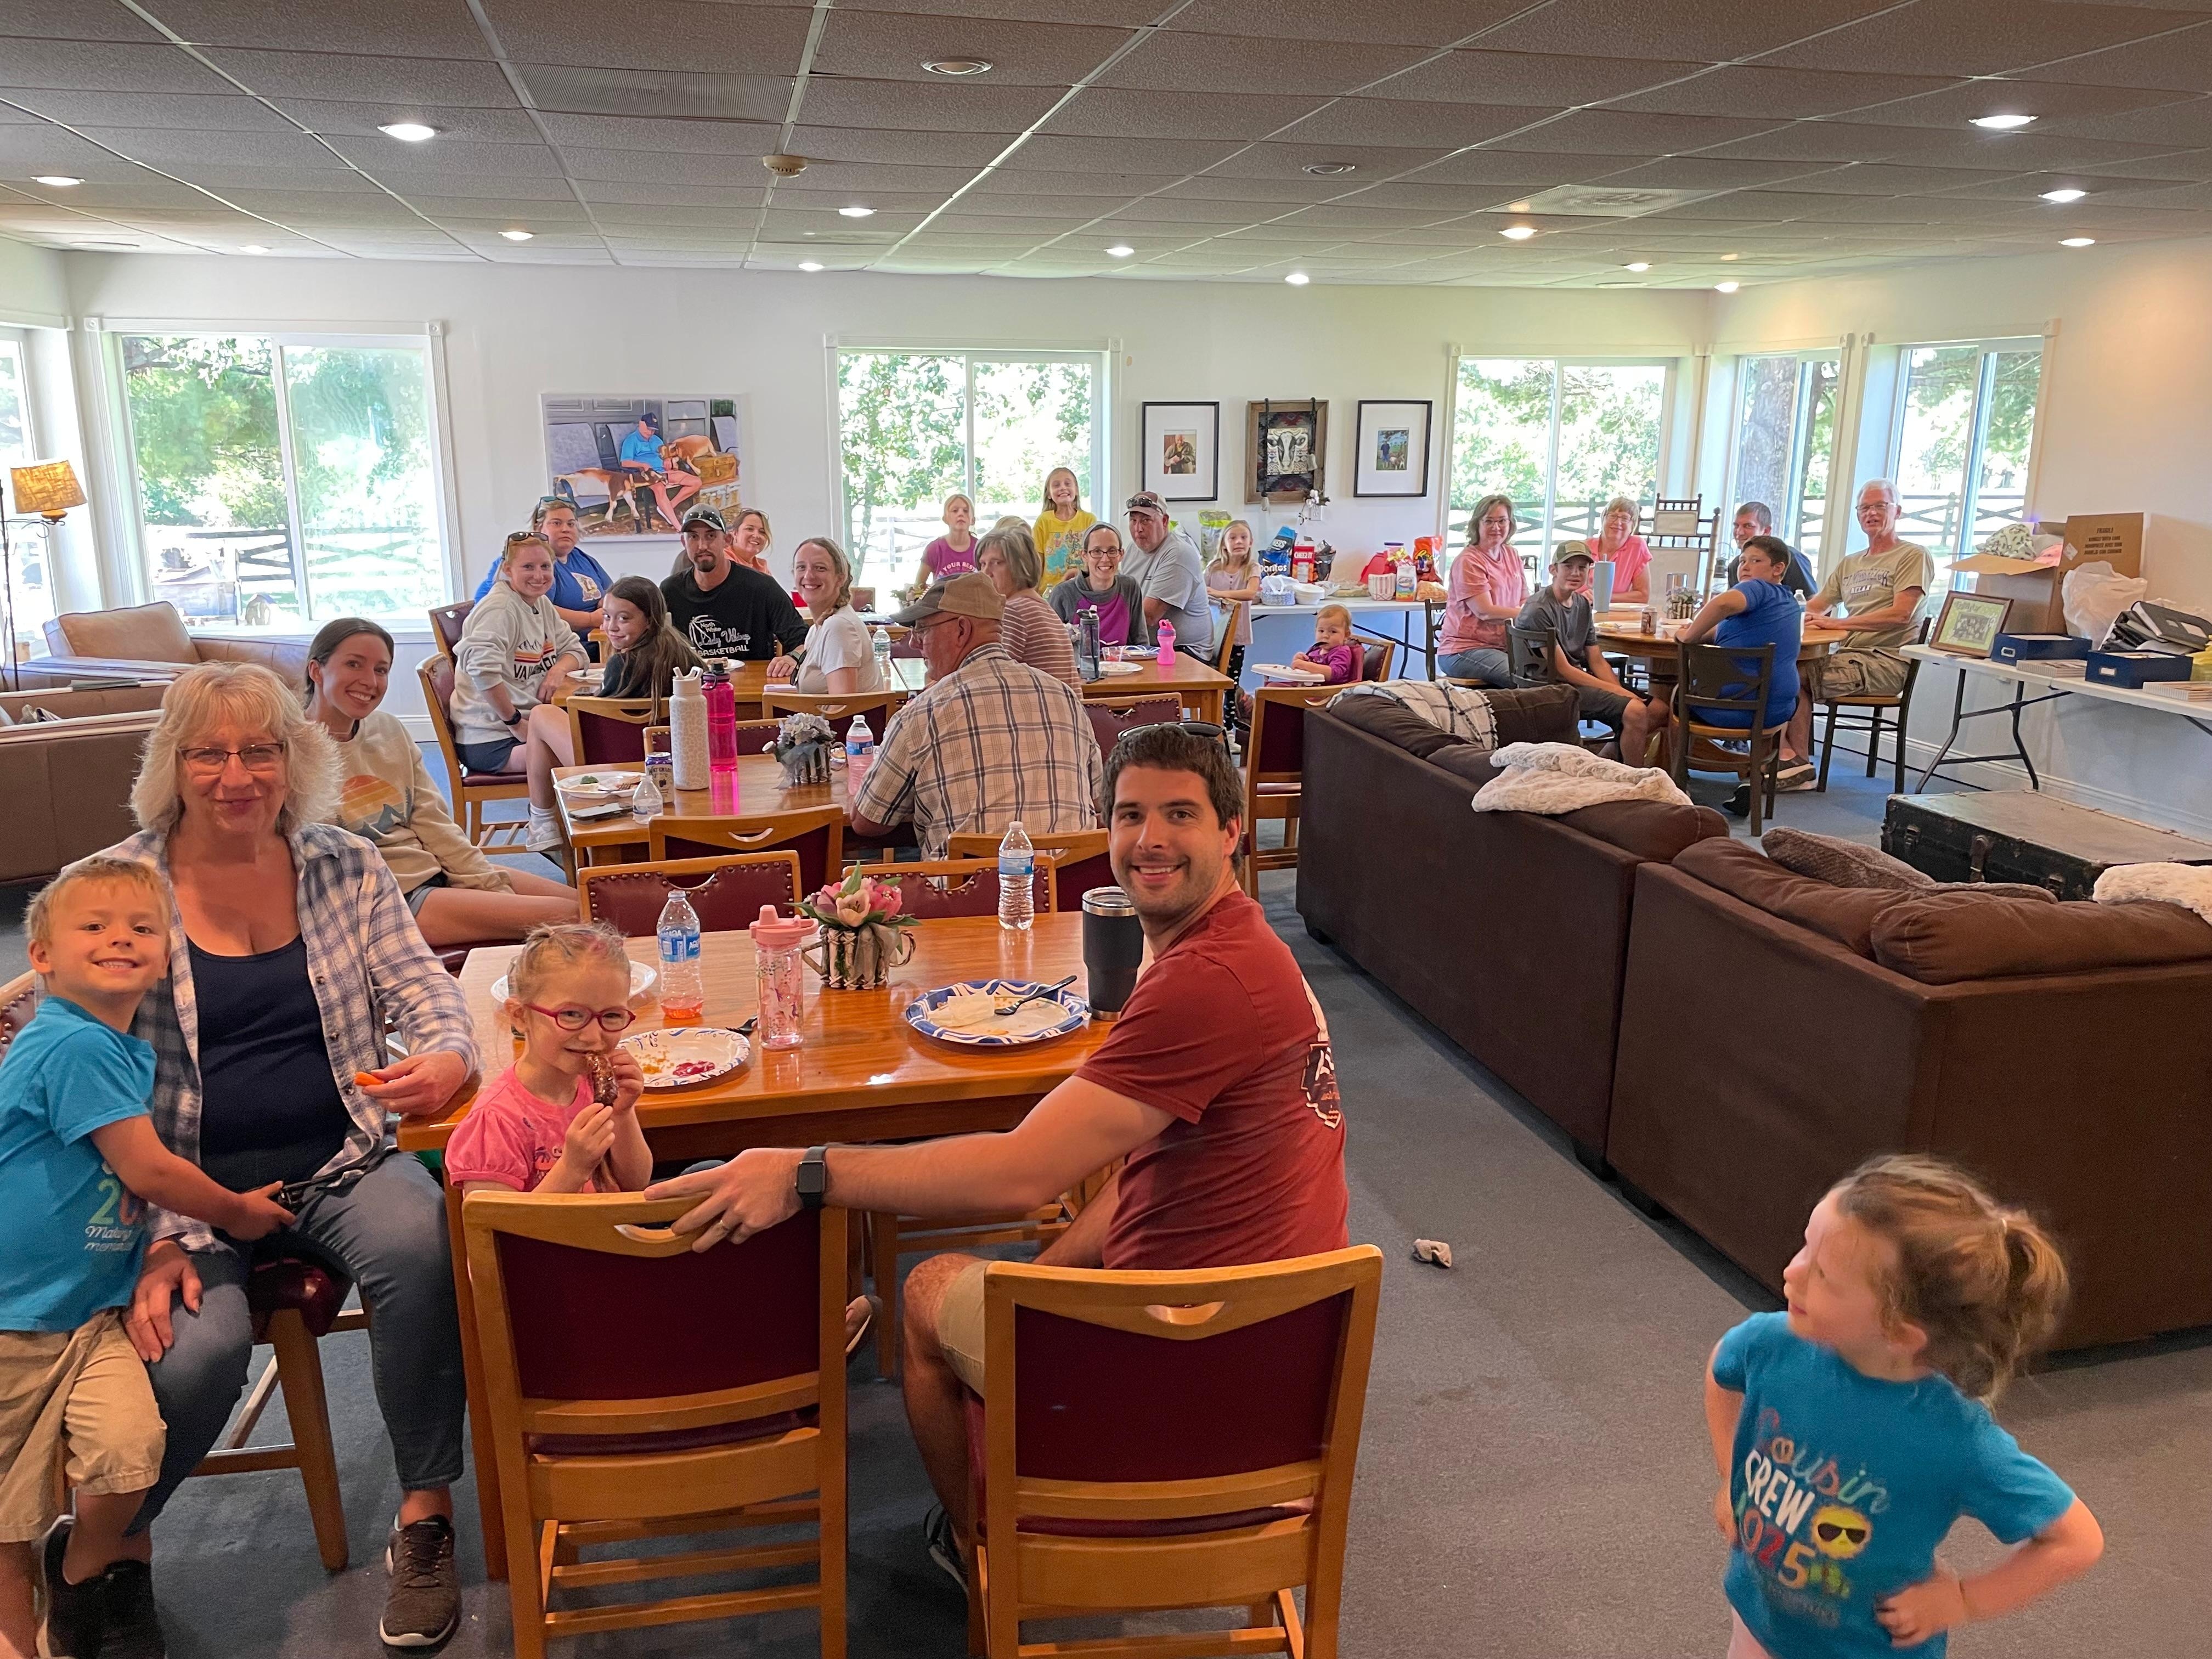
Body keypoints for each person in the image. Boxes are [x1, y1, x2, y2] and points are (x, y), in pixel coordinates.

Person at [644, 722, 1347, 1586]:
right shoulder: (1250, 952)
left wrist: (807, 1170)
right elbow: (1139, 1182)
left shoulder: (1205, 982)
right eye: (1130, 815)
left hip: (1181, 1362)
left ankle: (986, 1555)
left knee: (924, 1289)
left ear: (1233, 833)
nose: (1150, 839)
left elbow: (1021, 1173)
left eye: (1180, 815)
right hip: (1275, 1353)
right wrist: (1045, 1277)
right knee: (1018, 1267)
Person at [109, 662, 477, 1652]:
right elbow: (73, 1081)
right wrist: (146, 1236)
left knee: (423, 1246)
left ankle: (426, 1513)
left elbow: (424, 990)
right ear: (172, 765)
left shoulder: (343, 862)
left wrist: (446, 1054)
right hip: (183, 1189)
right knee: (195, 1354)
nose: (238, 774)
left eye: (260, 748)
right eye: (210, 752)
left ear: (295, 757)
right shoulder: (118, 889)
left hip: (341, 1156)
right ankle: (113, 1547)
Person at [0, 859, 292, 1659]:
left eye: (140, 928)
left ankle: (82, 1566)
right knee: (3, 1526)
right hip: (12, 1319)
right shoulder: (69, 1044)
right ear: (42, 955)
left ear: (166, 954)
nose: (119, 939)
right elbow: (149, 1171)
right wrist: (237, 1213)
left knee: (129, 1463)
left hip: (91, 1314)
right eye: (92, 927)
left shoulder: (118, 1049)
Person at [1705, 1155, 2102, 1659]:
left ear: (1899, 1333)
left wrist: (1962, 1601)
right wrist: (1730, 1478)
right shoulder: (1771, 1344)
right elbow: (1722, 1373)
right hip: (1759, 1618)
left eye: (1823, 1274)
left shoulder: (1956, 1439)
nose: (1792, 1271)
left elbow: (2075, 1541)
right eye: (1807, 1245)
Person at [305, 619, 579, 946]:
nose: (370, 681)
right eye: (353, 664)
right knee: (578, 918)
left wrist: (482, 882)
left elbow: (432, 820)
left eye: (381, 670)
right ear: (316, 671)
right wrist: (497, 899)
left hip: (434, 872)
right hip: (384, 901)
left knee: (591, 901)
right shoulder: (289, 750)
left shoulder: (389, 730)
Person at [848, 574, 1103, 859]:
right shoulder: (1065, 697)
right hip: (1065, 892)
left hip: (967, 896)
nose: (915, 644)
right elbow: (1096, 801)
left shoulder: (923, 713)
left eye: (922, 631)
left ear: (961, 630)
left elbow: (867, 821)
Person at [448, 923, 651, 1199]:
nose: (593, 1037)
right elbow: (498, 1231)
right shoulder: (495, 1122)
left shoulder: (594, 1088)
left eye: (613, 1016)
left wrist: (622, 1114)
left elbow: (635, 1186)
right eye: (570, 1014)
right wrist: (572, 1169)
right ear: (520, 1016)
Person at [452, 531, 588, 856]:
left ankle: (561, 830)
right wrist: (514, 721)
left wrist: (557, 670)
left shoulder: (540, 604)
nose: (539, 576)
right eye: (528, 567)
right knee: (582, 757)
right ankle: (558, 829)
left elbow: (575, 650)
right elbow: (482, 670)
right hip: (491, 738)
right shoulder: (499, 609)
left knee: (585, 740)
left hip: (527, 724)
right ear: (507, 570)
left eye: (545, 566)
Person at [1787, 479, 1934, 764]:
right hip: (1845, 657)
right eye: (1865, 508)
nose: (1872, 513)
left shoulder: (1913, 555)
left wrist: (1838, 624)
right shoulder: (1850, 563)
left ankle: (1797, 765)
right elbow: (1814, 607)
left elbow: (1901, 614)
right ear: (1858, 515)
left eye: (1881, 506)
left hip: (1885, 662)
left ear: (1898, 511)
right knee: (1778, 668)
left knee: (1788, 677)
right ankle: (1776, 756)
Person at [1674, 538, 1816, 809]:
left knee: (1676, 697)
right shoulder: (1785, 601)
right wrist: (1697, 632)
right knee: (1758, 688)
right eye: (1742, 561)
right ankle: (1750, 781)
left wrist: (1688, 637)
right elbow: (1720, 630)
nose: (1745, 567)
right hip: (1776, 709)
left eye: (1756, 560)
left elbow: (1722, 604)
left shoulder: (1758, 589)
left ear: (1778, 569)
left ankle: (1677, 779)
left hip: (1733, 708)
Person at [1515, 542, 1668, 764]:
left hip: (1574, 682)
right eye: (1568, 566)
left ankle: (1608, 758)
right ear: (1553, 569)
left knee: (1660, 710)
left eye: (1583, 567)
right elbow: (1564, 670)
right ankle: (1635, 783)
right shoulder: (1538, 609)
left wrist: (1618, 690)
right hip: (1549, 688)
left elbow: (1596, 660)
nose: (1576, 573)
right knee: (1636, 711)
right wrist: (1619, 693)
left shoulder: (1582, 604)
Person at [661, 505, 808, 663]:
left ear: (727, 540)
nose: (702, 546)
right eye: (693, 537)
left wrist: (792, 658)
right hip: (694, 685)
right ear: (684, 542)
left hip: (753, 686)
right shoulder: (670, 591)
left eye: (711, 536)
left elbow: (803, 642)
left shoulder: (762, 587)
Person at [472, 496, 612, 640]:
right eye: (557, 523)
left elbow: (613, 592)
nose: (566, 529)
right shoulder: (529, 566)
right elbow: (535, 610)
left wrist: (607, 604)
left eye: (571, 524)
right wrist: (590, 619)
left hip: (587, 644)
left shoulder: (583, 559)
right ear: (538, 528)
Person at [766, 536, 885, 695]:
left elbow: (842, 710)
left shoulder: (839, 627)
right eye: (801, 567)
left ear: (840, 578)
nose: (808, 576)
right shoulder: (819, 628)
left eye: (820, 568)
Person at [1437, 492, 1528, 688]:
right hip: (1464, 650)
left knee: (1554, 671)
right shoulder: (1468, 560)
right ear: (1477, 525)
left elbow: (1525, 600)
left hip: (1505, 647)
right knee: (1523, 678)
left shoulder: (1512, 554)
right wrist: (1528, 615)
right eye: (1489, 522)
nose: (1496, 528)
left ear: (1510, 525)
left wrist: (1531, 611)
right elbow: (1485, 612)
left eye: (1502, 521)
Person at [977, 522, 1078, 685]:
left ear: (1020, 566)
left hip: (1044, 709)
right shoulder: (1037, 605)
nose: (986, 573)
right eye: (983, 564)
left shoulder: (1015, 611)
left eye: (997, 563)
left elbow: (994, 680)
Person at [1121, 490, 1213, 659]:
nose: (1138, 529)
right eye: (1133, 520)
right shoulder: (1133, 550)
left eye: (1146, 520)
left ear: (1164, 521)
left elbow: (1148, 616)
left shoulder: (1178, 553)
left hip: (1185, 653)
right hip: (1150, 647)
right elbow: (1120, 595)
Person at [595, 574, 705, 701]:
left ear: (650, 620)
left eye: (623, 618)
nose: (611, 627)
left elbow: (604, 715)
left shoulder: (620, 666)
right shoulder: (688, 658)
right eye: (607, 616)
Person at [1050, 523, 1146, 648]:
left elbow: (1142, 645)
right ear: (1084, 556)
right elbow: (1050, 648)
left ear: (1121, 554)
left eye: (1112, 551)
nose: (1105, 559)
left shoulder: (1130, 588)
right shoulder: (1063, 594)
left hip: (1122, 667)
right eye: (1097, 551)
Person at [616, 410, 698, 532]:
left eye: (653, 430)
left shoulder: (656, 440)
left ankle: (668, 507)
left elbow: (665, 455)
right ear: (641, 424)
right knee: (660, 488)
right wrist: (642, 464)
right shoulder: (631, 440)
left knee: (696, 482)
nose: (651, 432)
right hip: (648, 474)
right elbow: (625, 462)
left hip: (664, 472)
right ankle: (679, 527)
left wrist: (668, 460)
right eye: (648, 429)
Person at [1205, 518, 1260, 687]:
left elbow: (1250, 593)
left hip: (1238, 636)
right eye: (1233, 538)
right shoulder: (1213, 568)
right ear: (1223, 544)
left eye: (1244, 538)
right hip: (1213, 634)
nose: (1239, 542)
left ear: (1251, 542)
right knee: (1212, 677)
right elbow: (1200, 593)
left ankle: (1230, 712)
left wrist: (1219, 594)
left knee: (1232, 682)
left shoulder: (1252, 568)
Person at [1723, 501, 1816, 597]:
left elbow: (1812, 603)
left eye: (1748, 526)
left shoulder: (1792, 558)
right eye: (1736, 526)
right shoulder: (1735, 566)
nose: (1739, 532)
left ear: (1766, 531)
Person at [1031, 466, 1097, 584]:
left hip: (1081, 588)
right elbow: (1037, 562)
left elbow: (1095, 558)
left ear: (1076, 490)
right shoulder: (1043, 521)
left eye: (1068, 484)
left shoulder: (1089, 520)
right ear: (1049, 494)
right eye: (1056, 485)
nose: (1063, 488)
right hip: (1050, 592)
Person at [1589, 494, 1653, 606]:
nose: (1618, 522)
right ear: (1603, 519)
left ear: (1632, 525)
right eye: (1612, 516)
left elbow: (1643, 596)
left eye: (1625, 518)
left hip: (1616, 615)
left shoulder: (1637, 547)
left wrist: (1602, 597)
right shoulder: (1584, 547)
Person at [1293, 603, 1362, 685]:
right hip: (1309, 687)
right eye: (1321, 631)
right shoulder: (1315, 649)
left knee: (1277, 689)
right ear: (1315, 631)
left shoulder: (1341, 651)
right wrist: (1299, 661)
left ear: (1346, 635)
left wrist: (1305, 665)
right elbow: (1305, 669)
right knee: (1275, 686)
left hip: (1327, 692)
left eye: (1333, 632)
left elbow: (1334, 674)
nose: (1325, 636)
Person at [919, 493, 979, 585]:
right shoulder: (934, 549)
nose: (961, 514)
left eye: (966, 511)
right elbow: (918, 586)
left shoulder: (981, 549)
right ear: (945, 519)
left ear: (973, 520)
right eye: (955, 511)